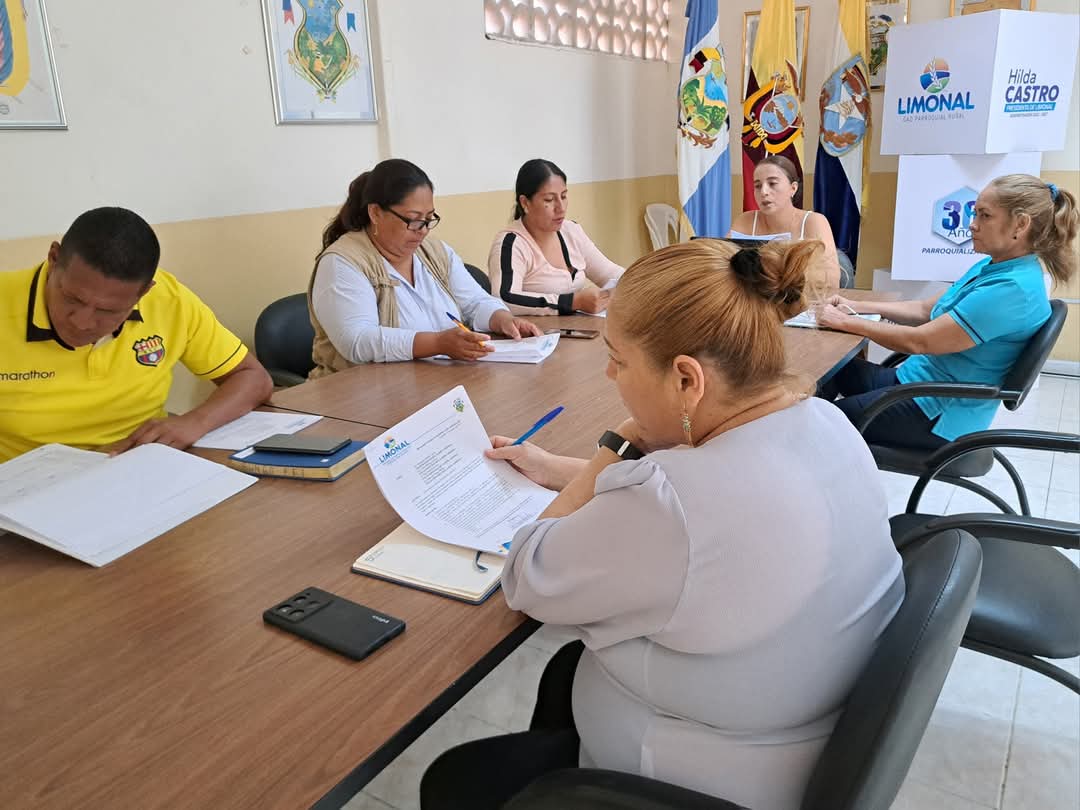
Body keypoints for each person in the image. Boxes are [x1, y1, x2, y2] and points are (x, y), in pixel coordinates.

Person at [420, 239, 904, 810]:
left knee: (453, 780)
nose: (609, 373)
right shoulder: (826, 422)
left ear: (686, 380)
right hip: (792, 730)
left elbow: (526, 572)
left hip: (683, 782)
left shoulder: (672, 504)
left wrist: (619, 443)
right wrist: (558, 470)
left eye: (619, 360)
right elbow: (696, 504)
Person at [817, 174, 1079, 450]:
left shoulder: (1012, 290)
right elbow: (925, 309)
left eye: (985, 215)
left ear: (1021, 224)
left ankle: (830, 459)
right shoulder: (994, 266)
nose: (972, 224)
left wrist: (846, 322)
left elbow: (920, 341)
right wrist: (857, 307)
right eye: (975, 213)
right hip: (916, 382)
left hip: (936, 411)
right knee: (828, 370)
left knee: (819, 424)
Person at [0, 207, 273, 462]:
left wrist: (194, 422)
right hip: (26, 481)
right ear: (53, 259)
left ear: (144, 292)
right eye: (72, 298)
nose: (83, 323)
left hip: (139, 467)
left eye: (109, 310)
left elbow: (252, 377)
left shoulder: (169, 300)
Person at [309, 159, 542, 375]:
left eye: (429, 219)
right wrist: (437, 343)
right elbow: (357, 341)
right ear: (375, 213)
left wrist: (503, 319)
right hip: (362, 394)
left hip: (436, 380)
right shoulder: (342, 263)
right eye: (413, 220)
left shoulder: (434, 252)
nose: (423, 230)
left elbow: (475, 302)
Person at [487, 159, 624, 316]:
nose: (561, 208)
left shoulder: (571, 231)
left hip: (581, 328)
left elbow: (610, 273)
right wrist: (573, 302)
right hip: (538, 331)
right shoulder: (511, 243)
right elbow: (504, 298)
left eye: (564, 196)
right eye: (549, 200)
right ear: (525, 203)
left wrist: (643, 281)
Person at [729, 155, 843, 289]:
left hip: (799, 300)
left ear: (793, 188)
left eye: (772, 183)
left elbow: (831, 279)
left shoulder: (814, 221)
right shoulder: (745, 220)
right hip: (751, 299)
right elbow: (723, 260)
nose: (764, 192)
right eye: (757, 186)